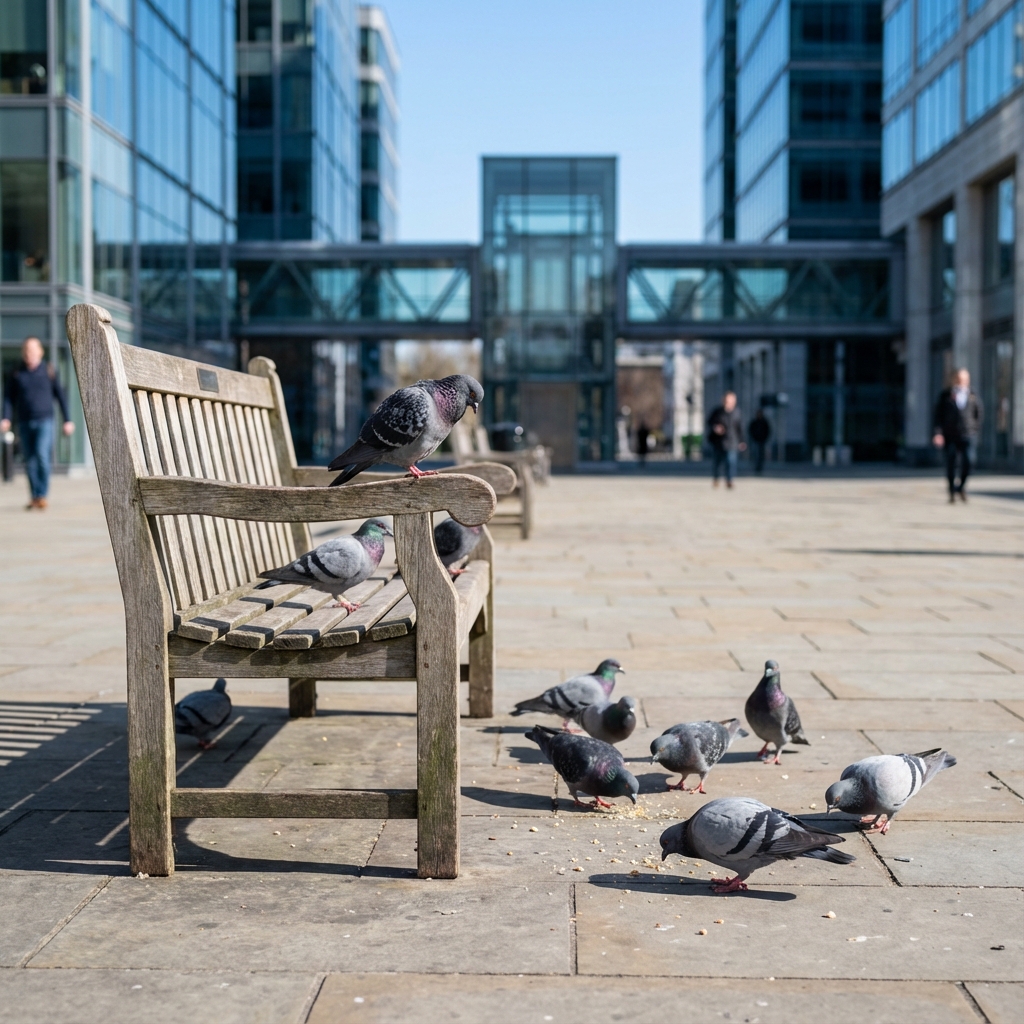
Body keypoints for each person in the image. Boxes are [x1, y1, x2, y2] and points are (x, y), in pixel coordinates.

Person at [1, 337, 75, 510]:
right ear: (23, 353)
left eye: (33, 350)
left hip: (45, 421)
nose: (29, 354)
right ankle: (34, 496)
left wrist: (68, 420)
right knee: (30, 460)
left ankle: (42, 494)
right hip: (25, 422)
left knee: (42, 455)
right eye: (27, 351)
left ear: (40, 352)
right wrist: (5, 417)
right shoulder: (17, 372)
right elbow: (8, 398)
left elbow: (61, 397)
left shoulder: (48, 371)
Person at [932, 368, 981, 503]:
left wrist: (975, 429)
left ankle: (961, 487)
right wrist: (938, 434)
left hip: (967, 434)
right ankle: (951, 491)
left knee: (969, 461)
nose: (962, 381)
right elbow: (938, 416)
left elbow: (978, 413)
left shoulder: (972, 395)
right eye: (960, 379)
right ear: (955, 379)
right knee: (951, 462)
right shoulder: (946, 395)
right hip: (950, 435)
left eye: (965, 379)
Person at [707, 391, 746, 488]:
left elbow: (740, 428)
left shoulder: (737, 412)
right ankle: (716, 478)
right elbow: (709, 422)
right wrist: (715, 427)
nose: (728, 402)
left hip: (732, 442)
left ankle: (729, 480)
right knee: (717, 462)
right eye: (726, 400)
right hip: (718, 442)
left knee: (731, 462)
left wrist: (742, 441)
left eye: (731, 400)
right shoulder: (717, 411)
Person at [748, 409, 771, 474]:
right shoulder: (754, 422)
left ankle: (760, 466)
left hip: (762, 440)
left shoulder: (764, 422)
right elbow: (750, 430)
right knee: (755, 453)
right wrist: (753, 437)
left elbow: (768, 431)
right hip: (755, 440)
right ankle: (756, 466)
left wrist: (765, 438)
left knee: (761, 454)